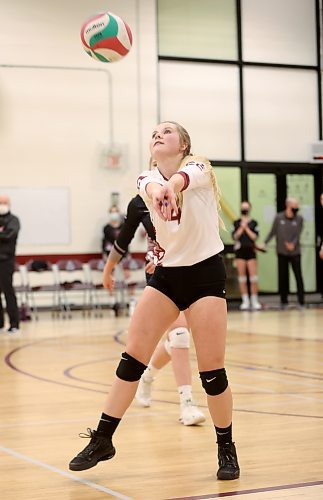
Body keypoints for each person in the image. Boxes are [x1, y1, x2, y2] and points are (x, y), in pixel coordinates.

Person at [69, 121, 240, 481]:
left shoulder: (200, 168)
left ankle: (226, 446)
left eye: (168, 131)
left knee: (212, 372)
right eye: (154, 133)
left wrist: (171, 186)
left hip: (206, 274)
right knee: (132, 360)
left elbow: (181, 181)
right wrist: (160, 188)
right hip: (167, 276)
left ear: (184, 145)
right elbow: (151, 187)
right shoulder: (144, 180)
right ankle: (102, 439)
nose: (158, 135)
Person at [103, 193, 205, 426]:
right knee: (179, 336)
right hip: (159, 272)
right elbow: (123, 239)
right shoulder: (140, 201)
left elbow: (198, 232)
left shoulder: (188, 193)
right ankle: (187, 403)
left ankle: (147, 376)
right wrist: (108, 269)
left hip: (192, 270)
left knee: (178, 340)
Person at [261, 197, 305, 309]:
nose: (297, 208)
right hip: (282, 252)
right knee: (283, 276)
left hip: (295, 252)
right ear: (289, 205)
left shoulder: (299, 218)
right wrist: (264, 242)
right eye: (295, 205)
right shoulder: (279, 217)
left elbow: (298, 234)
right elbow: (272, 232)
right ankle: (284, 301)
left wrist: (293, 244)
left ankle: (301, 301)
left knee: (298, 276)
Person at [232, 201, 261, 310]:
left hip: (251, 252)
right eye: (243, 208)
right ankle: (245, 301)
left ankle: (254, 300)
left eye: (246, 208)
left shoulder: (254, 223)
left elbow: (254, 237)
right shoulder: (236, 222)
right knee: (242, 278)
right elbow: (234, 236)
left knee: (253, 278)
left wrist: (246, 228)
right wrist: (241, 228)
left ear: (250, 208)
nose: (245, 209)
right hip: (240, 252)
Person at [0, 195, 21, 333]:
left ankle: (14, 324)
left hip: (6, 260)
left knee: (8, 291)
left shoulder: (13, 220)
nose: (2, 205)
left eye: (4, 203)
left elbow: (9, 235)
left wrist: (3, 233)